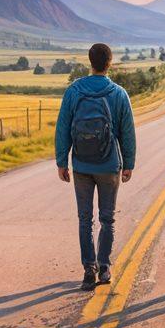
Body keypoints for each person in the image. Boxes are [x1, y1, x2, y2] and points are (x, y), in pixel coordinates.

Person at [55, 43, 137, 290]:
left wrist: (62, 161)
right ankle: (104, 268)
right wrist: (128, 163)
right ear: (109, 63)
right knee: (107, 219)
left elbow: (63, 128)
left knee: (84, 219)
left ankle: (88, 269)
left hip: (81, 164)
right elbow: (127, 132)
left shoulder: (74, 91)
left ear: (90, 62)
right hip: (109, 165)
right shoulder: (119, 93)